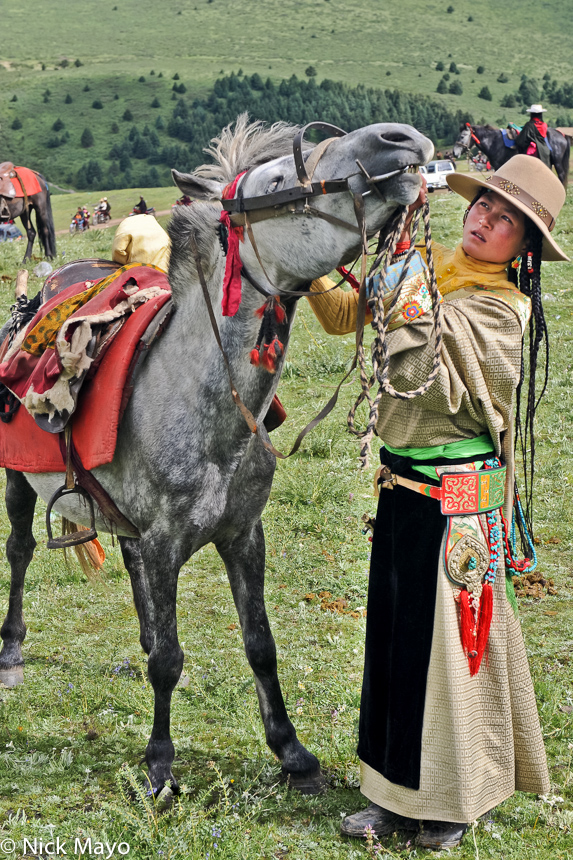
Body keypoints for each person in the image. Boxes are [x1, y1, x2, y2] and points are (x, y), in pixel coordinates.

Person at [306, 155, 568, 850]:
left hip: (458, 508)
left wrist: (403, 264)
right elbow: (341, 314)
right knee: (395, 647)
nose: (484, 220)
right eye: (483, 205)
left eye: (505, 219)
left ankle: (452, 802)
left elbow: (423, 380)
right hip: (401, 492)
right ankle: (390, 797)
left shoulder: (501, 311)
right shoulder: (428, 271)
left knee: (452, 659)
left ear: (525, 249)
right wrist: (314, 258)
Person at [515, 104, 551, 168]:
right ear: (540, 114)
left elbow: (521, 141)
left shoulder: (528, 125)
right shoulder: (544, 125)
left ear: (531, 114)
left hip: (532, 152)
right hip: (544, 151)